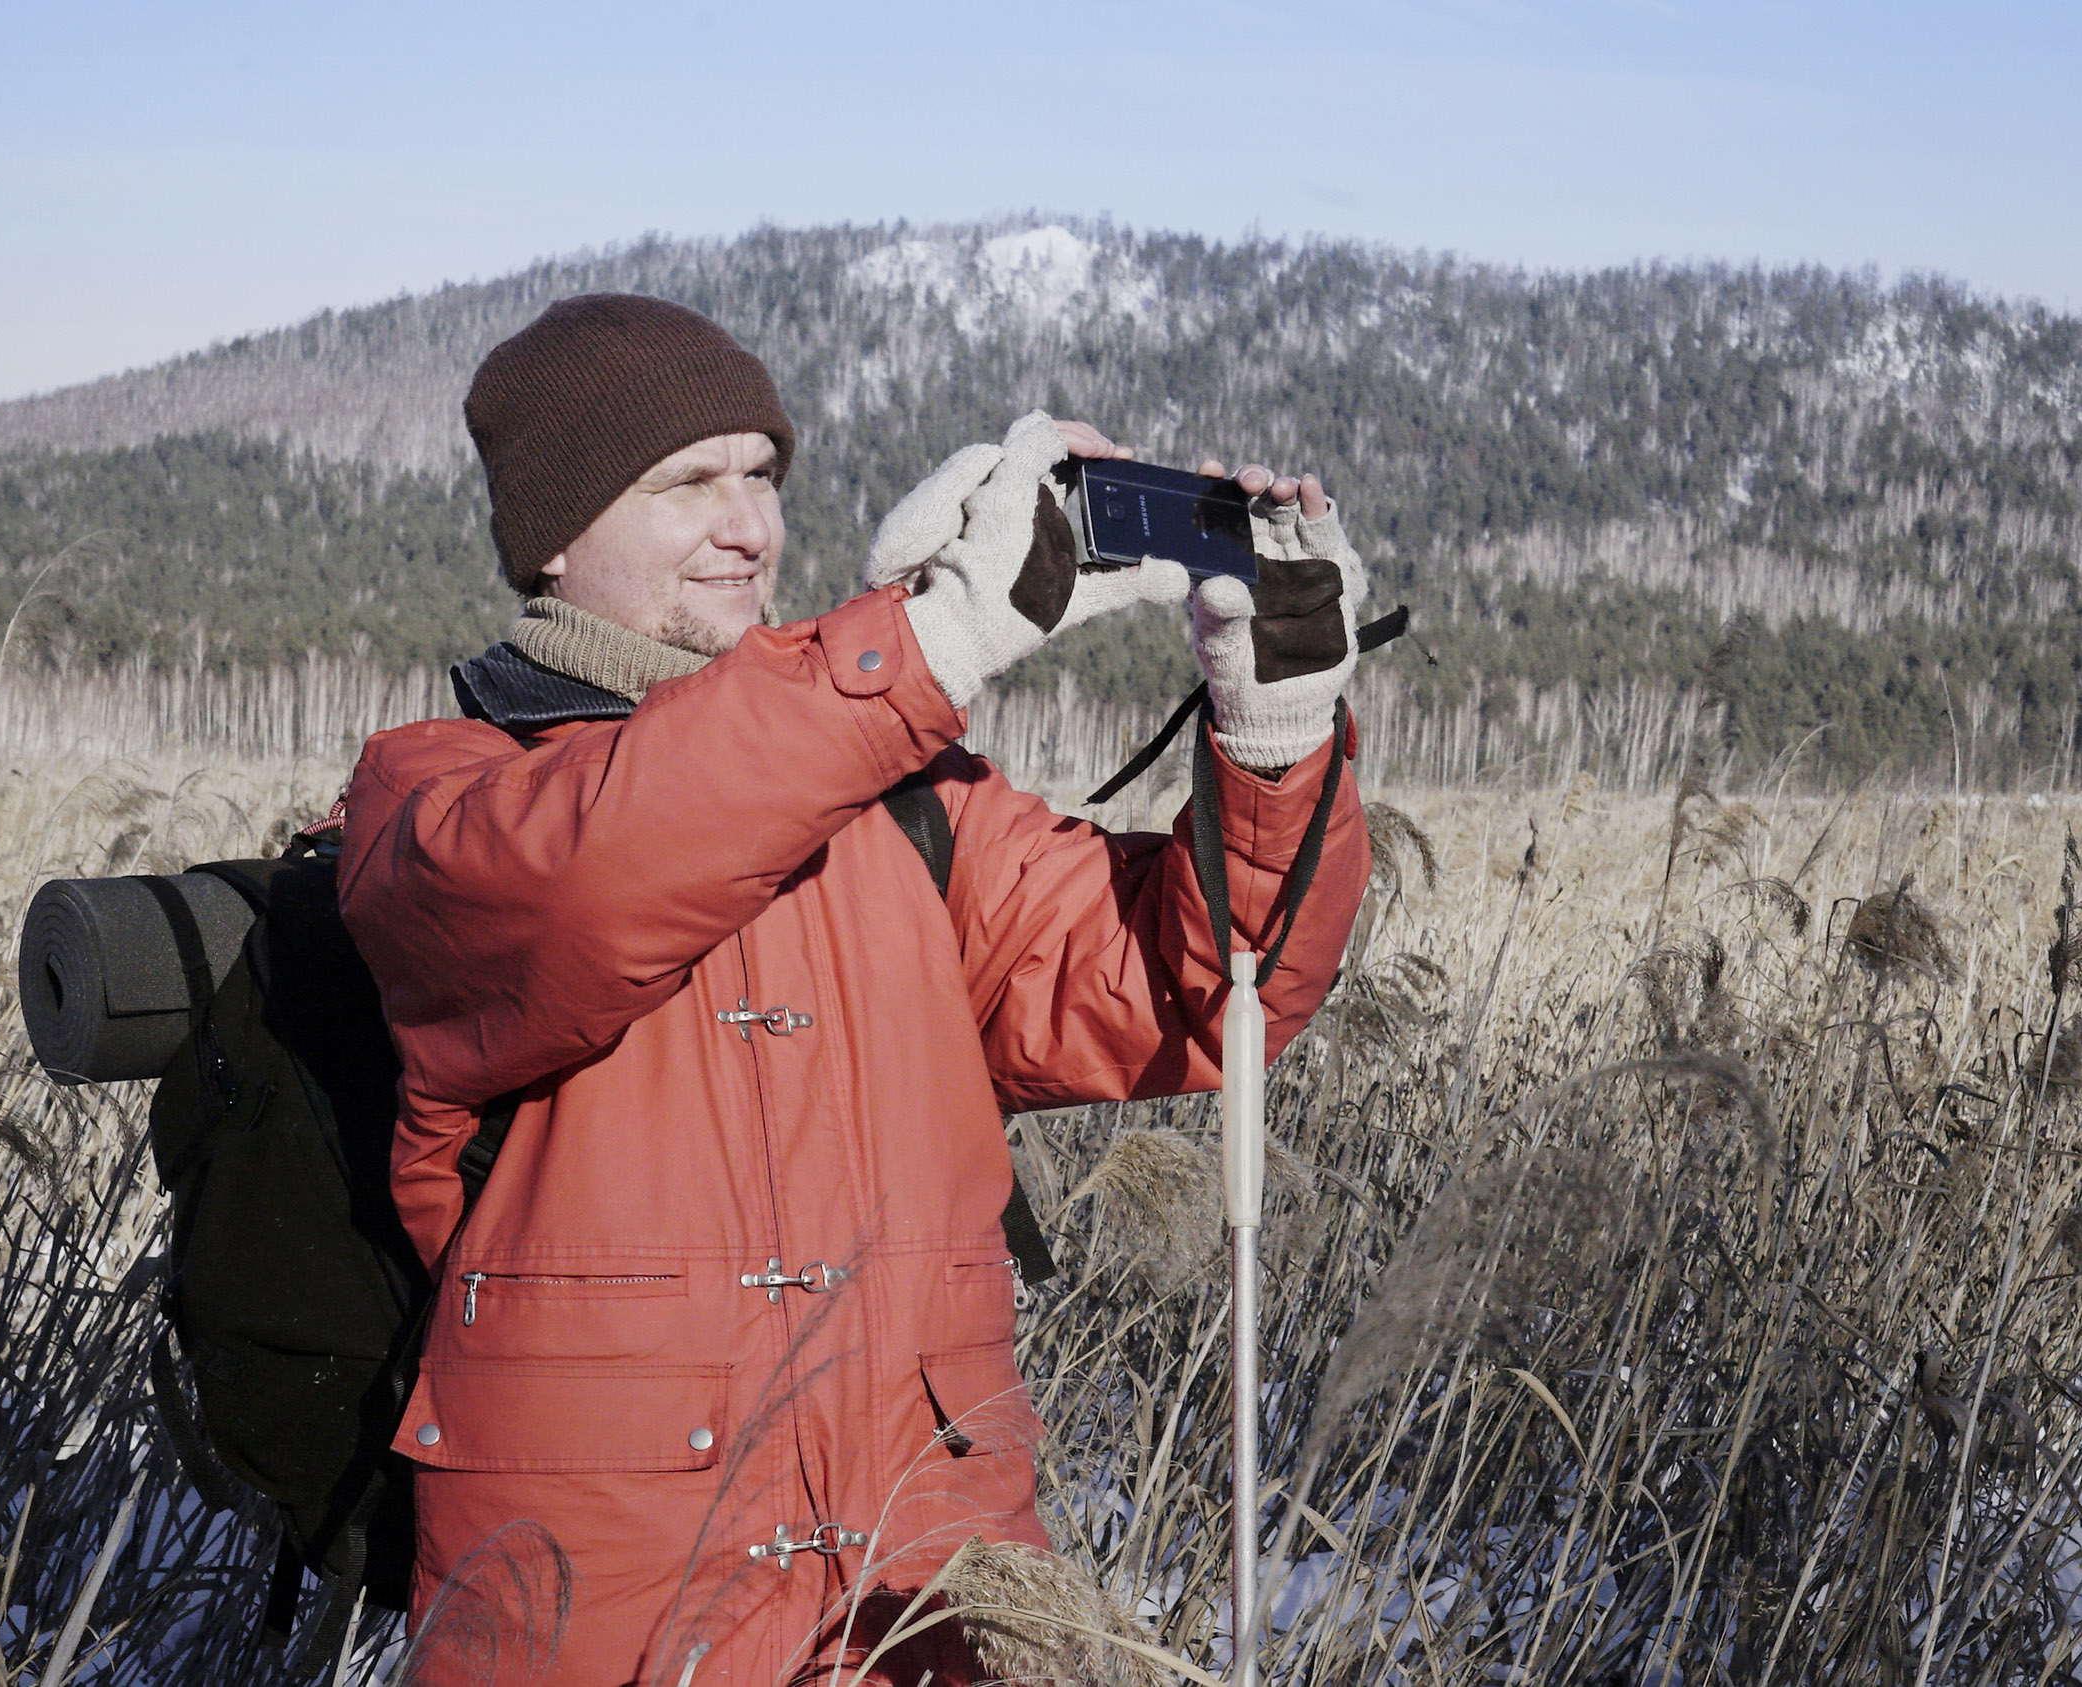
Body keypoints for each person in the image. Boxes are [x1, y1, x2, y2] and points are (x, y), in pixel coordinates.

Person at [337, 294, 1372, 1686]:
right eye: (686, 484)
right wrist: (928, 637)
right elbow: (605, 871)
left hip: (913, 1598)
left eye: (760, 477)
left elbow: (1196, 991)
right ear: (555, 538)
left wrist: (1275, 728)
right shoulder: (440, 796)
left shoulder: (903, 809)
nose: (748, 527)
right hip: (606, 1618)